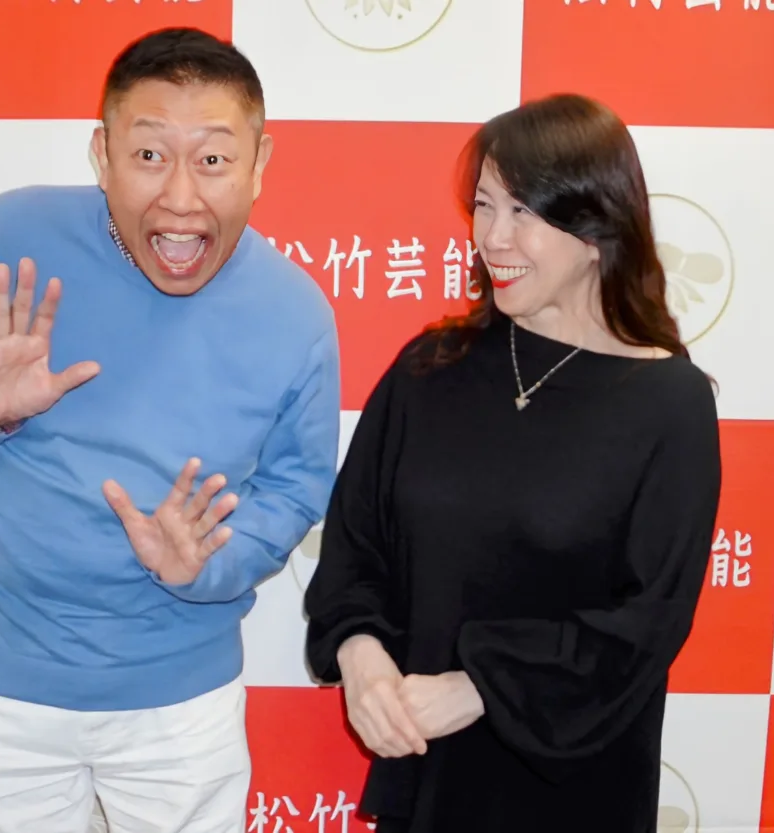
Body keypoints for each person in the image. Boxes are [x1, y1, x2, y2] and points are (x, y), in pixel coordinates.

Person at [0, 27, 341, 833]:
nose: (182, 197)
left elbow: (297, 488)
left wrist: (208, 562)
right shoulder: (11, 238)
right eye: (150, 155)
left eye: (214, 159)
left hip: (181, 705)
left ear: (260, 164)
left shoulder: (296, 311)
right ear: (102, 154)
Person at [302, 93, 722, 833]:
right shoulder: (431, 369)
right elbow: (354, 545)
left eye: (524, 211)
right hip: (426, 768)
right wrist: (363, 659)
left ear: (596, 229)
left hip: (572, 790)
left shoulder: (669, 403)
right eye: (484, 206)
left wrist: (479, 686)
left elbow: (646, 622)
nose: (493, 237)